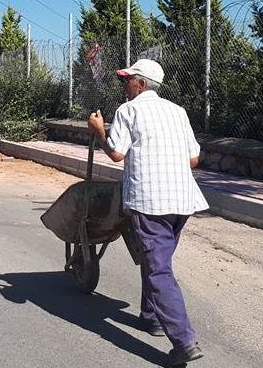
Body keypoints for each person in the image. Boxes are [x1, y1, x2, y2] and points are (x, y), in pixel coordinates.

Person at [87, 59, 208, 366]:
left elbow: (116, 153)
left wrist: (99, 130)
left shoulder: (129, 111)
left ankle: (184, 342)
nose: (124, 84)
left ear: (141, 84)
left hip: (150, 201)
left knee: (158, 269)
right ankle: (151, 317)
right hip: (182, 200)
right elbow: (194, 159)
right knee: (157, 259)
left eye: (127, 80)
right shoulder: (178, 111)